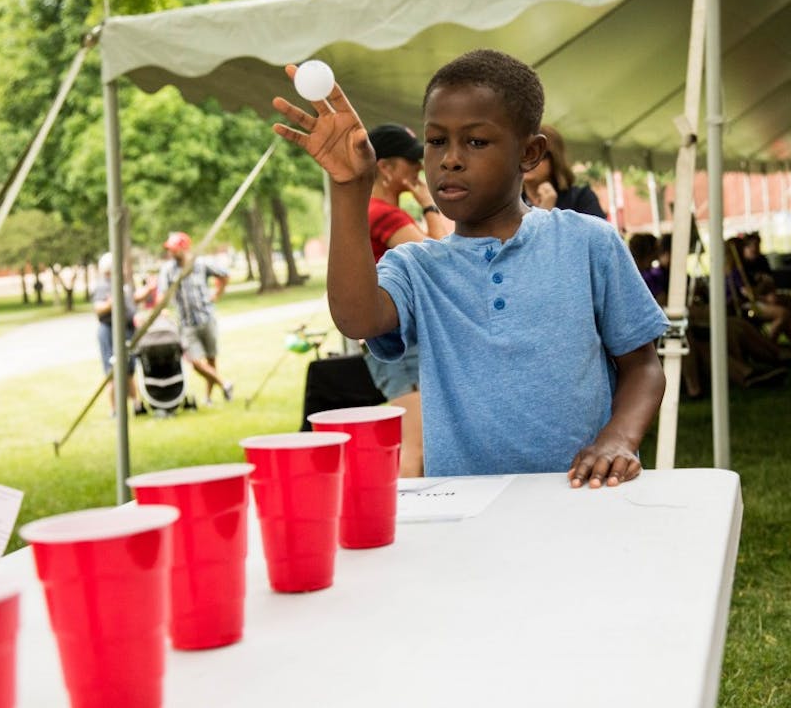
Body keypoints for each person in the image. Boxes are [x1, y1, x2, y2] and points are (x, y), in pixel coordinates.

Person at [271, 48, 668, 488]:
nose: (450, 158)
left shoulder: (588, 242)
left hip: (581, 493)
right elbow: (356, 318)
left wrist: (618, 439)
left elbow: (644, 368)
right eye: (436, 141)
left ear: (530, 152)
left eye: (475, 141)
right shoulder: (417, 265)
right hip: (465, 510)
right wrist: (350, 189)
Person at [364, 123, 450, 478]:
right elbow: (442, 261)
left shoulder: (371, 211)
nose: (419, 167)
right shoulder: (383, 214)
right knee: (413, 452)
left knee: (417, 449)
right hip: (400, 345)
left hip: (394, 344)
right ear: (384, 167)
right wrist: (430, 204)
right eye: (410, 160)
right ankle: (406, 529)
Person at [158, 231, 233, 405]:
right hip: (186, 324)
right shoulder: (168, 270)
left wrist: (218, 293)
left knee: (211, 358)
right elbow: (162, 294)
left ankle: (208, 397)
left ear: (184, 248)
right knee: (195, 361)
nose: (170, 252)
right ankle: (225, 383)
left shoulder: (200, 264)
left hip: (206, 318)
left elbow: (224, 274)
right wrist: (163, 310)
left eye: (174, 248)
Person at [92, 252, 148, 417]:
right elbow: (98, 308)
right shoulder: (104, 285)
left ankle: (137, 404)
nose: (124, 269)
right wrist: (110, 303)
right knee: (113, 371)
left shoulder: (123, 284)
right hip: (110, 332)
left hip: (127, 330)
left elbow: (131, 301)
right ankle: (114, 410)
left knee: (129, 370)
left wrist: (146, 292)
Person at [521, 124, 606, 219]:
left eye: (537, 154)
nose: (528, 160)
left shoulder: (581, 198)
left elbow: (600, 233)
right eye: (522, 153)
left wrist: (549, 215)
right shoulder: (509, 205)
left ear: (555, 159)